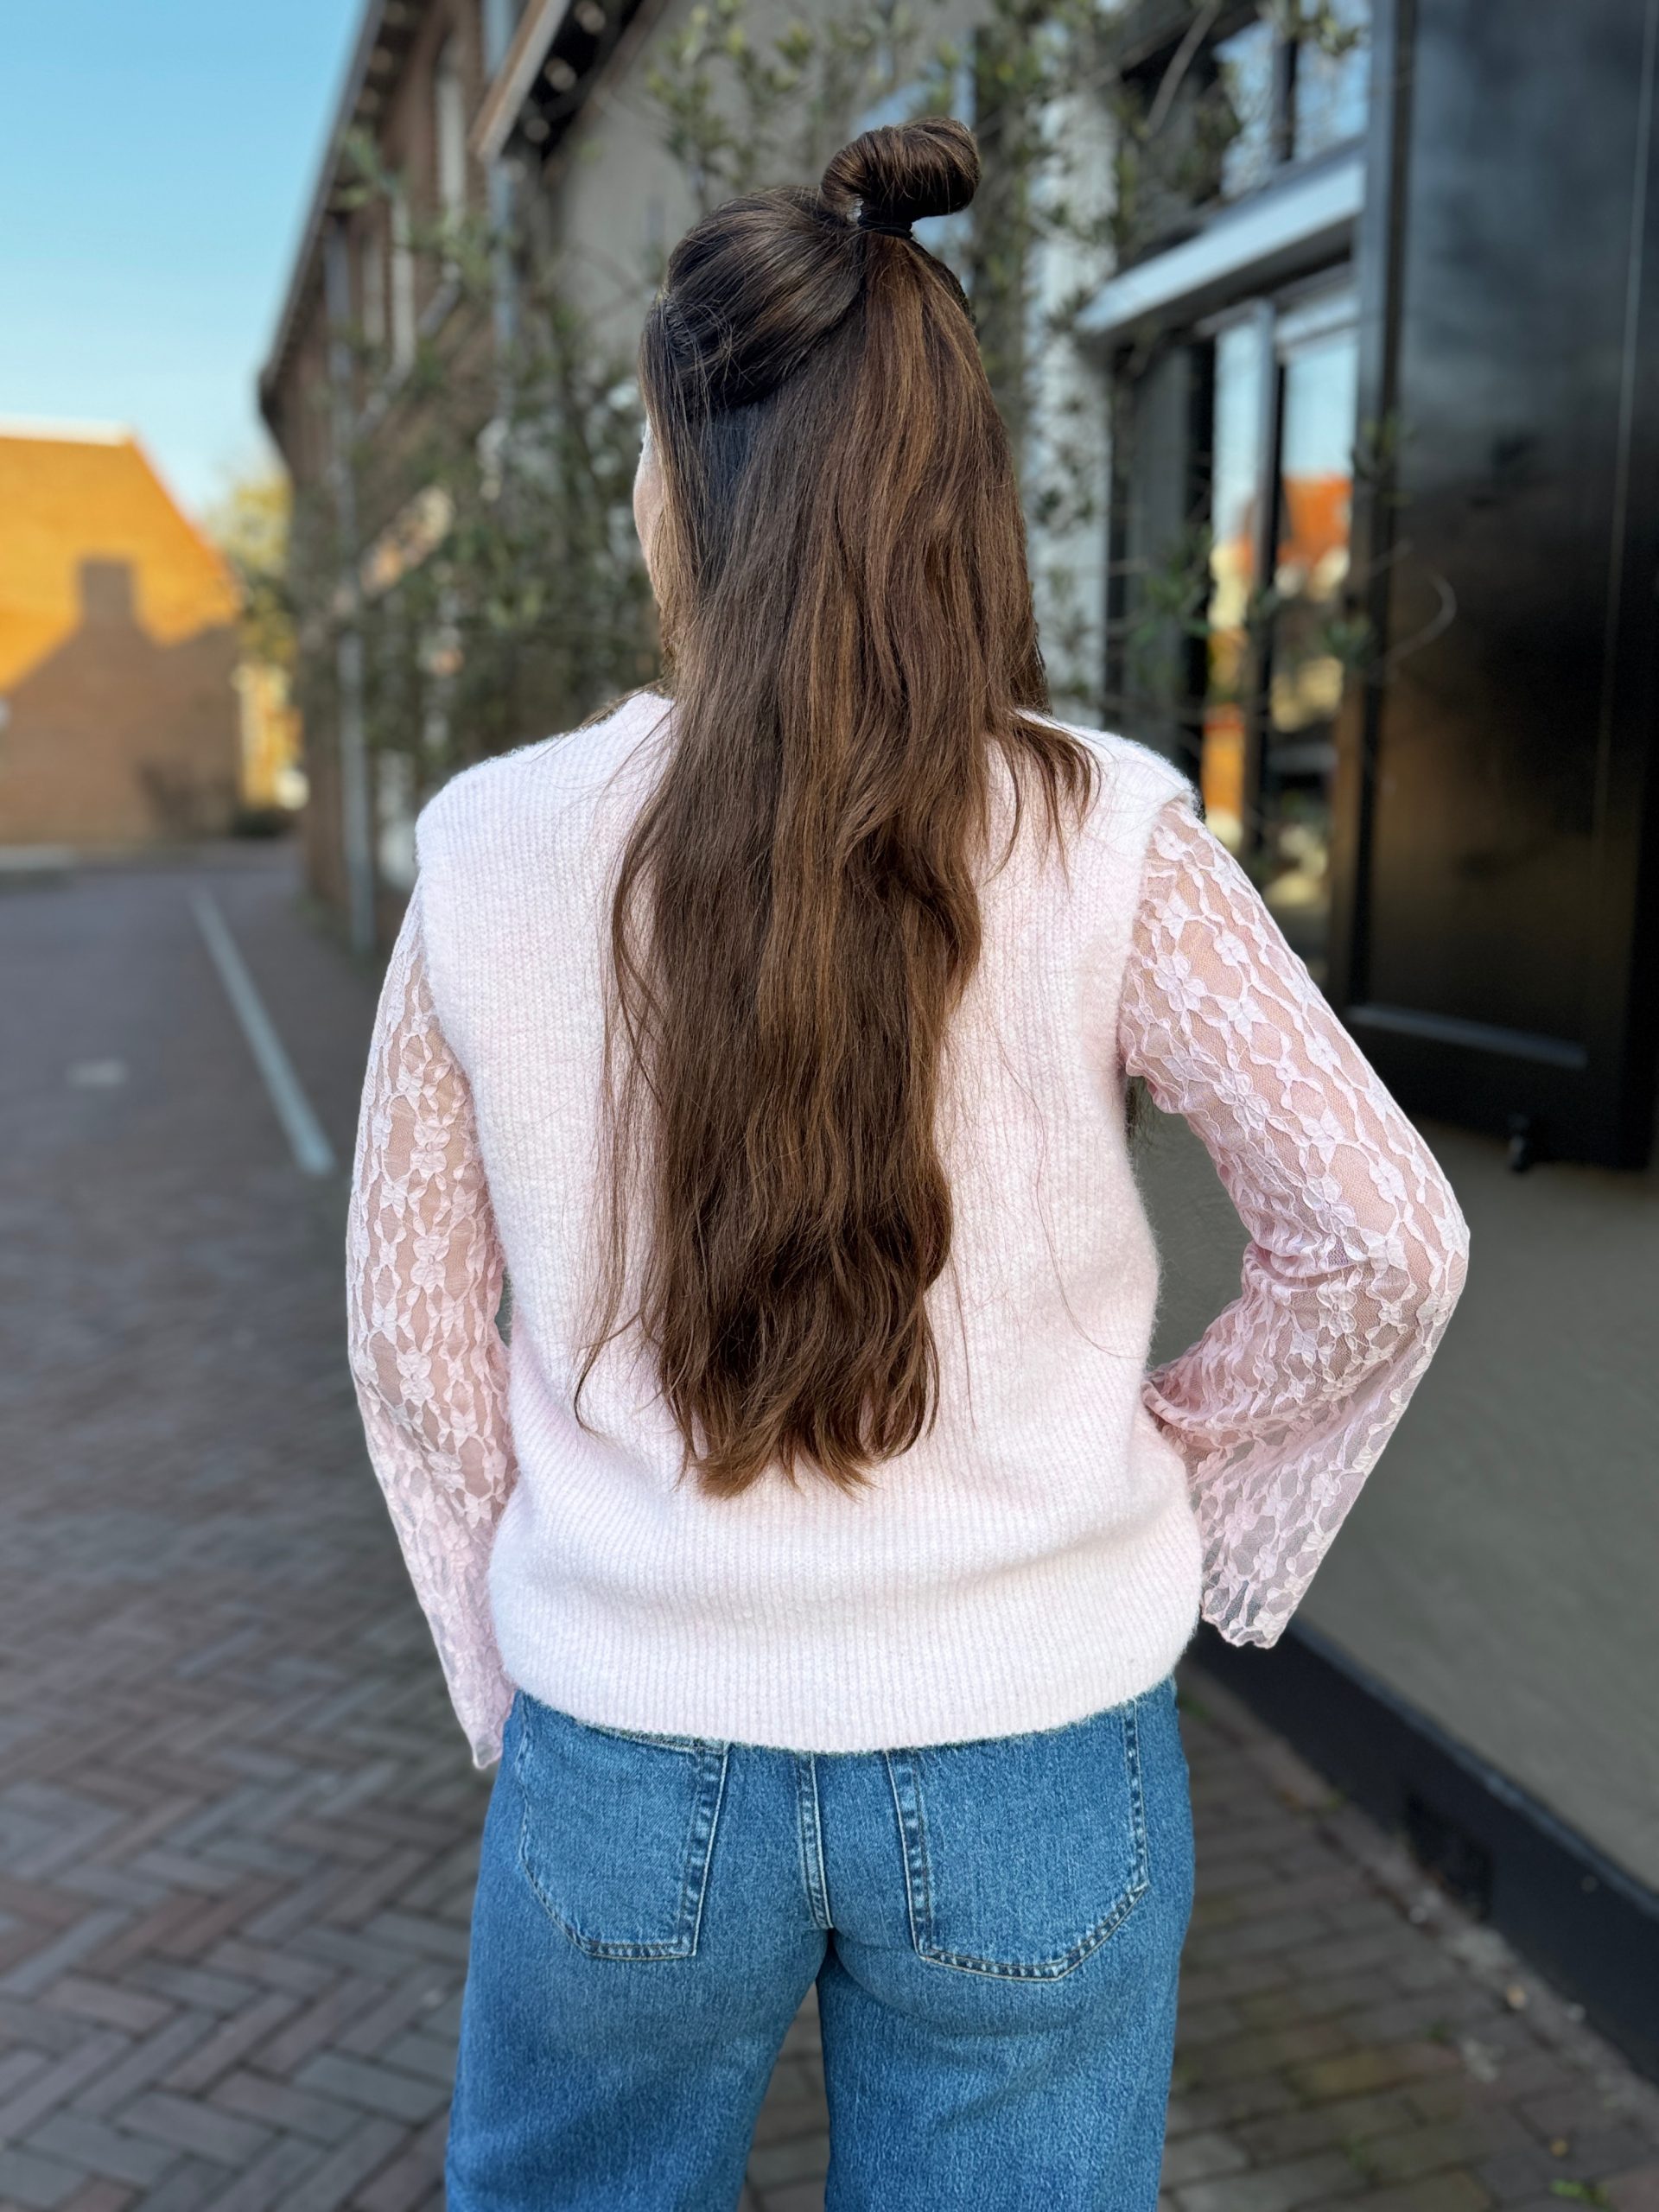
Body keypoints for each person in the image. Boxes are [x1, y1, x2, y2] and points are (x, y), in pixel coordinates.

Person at [346, 115, 1469, 2212]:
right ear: (954, 490)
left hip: (628, 1759)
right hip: (1037, 1750)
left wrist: (521, 1664)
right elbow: (1386, 1237)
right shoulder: (1108, 834)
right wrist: (1183, 1464)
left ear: (679, 482)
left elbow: (415, 1339)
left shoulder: (490, 849)